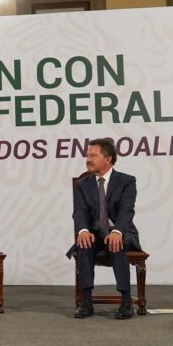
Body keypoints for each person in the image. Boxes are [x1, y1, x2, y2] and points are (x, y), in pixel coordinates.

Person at [69, 137, 140, 320]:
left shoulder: (126, 181)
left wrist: (117, 231)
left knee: (115, 242)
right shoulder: (83, 184)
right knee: (84, 243)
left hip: (120, 232)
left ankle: (126, 302)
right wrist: (82, 230)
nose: (88, 159)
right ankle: (86, 302)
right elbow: (79, 211)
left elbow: (126, 210)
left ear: (107, 159)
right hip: (94, 233)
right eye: (87, 155)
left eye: (93, 155)